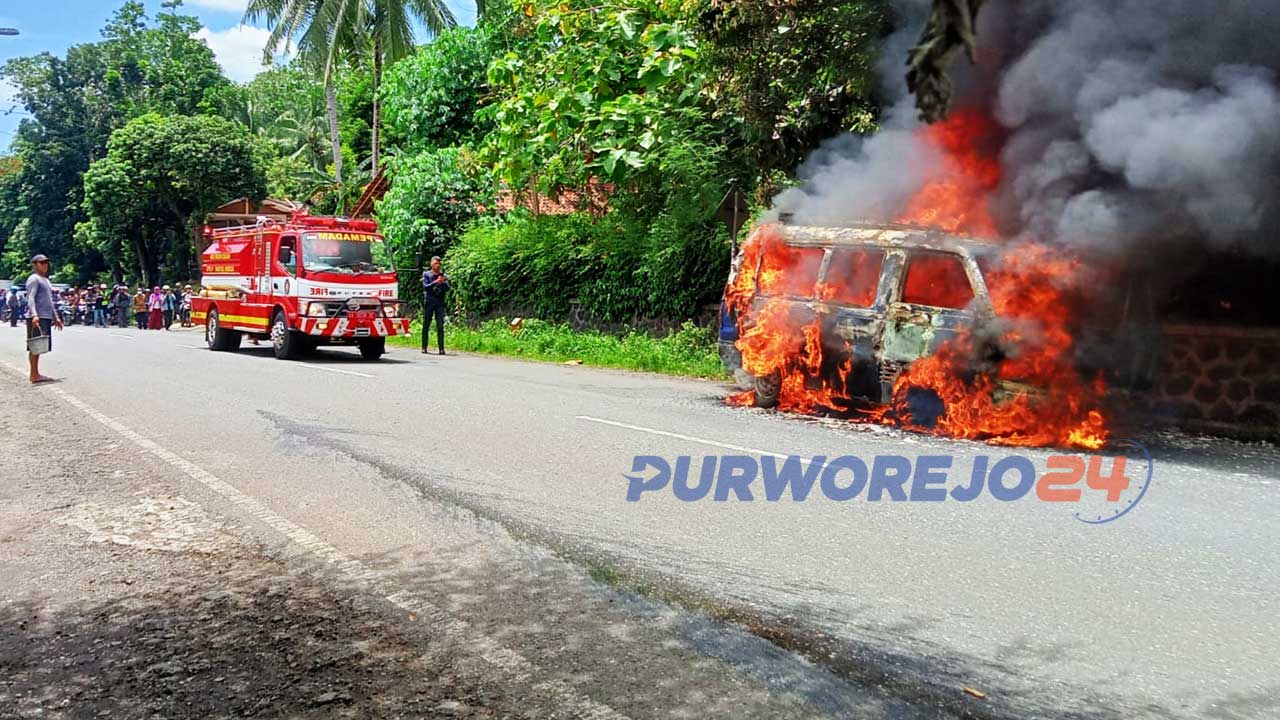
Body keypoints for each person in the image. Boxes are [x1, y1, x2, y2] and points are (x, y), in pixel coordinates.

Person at [25, 254, 62, 384]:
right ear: (35, 264)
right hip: (37, 317)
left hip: (45, 316)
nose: (45, 264)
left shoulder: (46, 280)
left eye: (46, 262)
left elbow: (49, 301)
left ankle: (36, 373)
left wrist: (55, 317)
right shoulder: (34, 279)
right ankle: (33, 374)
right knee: (35, 345)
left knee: (40, 345)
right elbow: (30, 298)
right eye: (42, 262)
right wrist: (34, 315)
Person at [420, 256, 450, 355]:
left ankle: (441, 348)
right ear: (431, 264)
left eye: (439, 264)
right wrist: (435, 282)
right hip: (429, 301)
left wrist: (443, 282)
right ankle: (424, 347)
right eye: (436, 263)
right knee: (426, 324)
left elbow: (448, 288)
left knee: (440, 325)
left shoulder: (442, 275)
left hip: (440, 302)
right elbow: (426, 287)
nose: (438, 266)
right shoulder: (426, 274)